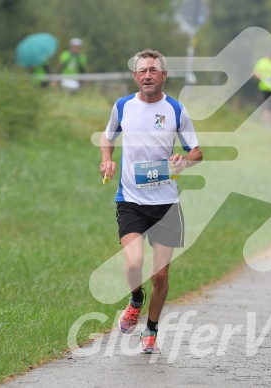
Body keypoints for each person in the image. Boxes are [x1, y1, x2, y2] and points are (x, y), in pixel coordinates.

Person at [99, 49, 203, 354]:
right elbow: (107, 138)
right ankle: (135, 299)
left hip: (166, 204)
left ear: (164, 75)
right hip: (130, 199)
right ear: (135, 76)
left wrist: (184, 160)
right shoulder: (122, 106)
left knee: (160, 276)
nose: (148, 75)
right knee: (134, 262)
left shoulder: (175, 110)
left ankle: (152, 332)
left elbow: (197, 151)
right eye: (142, 70)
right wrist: (107, 160)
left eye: (153, 70)